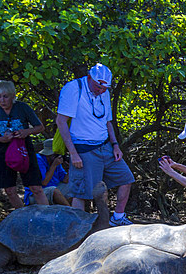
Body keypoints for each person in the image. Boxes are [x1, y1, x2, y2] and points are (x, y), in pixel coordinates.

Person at [55, 63, 134, 226]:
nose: (101, 90)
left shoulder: (104, 93)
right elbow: (61, 122)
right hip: (83, 148)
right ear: (89, 78)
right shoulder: (73, 89)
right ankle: (78, 229)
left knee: (126, 178)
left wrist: (115, 145)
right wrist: (73, 153)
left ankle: (117, 219)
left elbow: (108, 122)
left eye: (105, 88)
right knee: (81, 192)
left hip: (105, 146)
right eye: (98, 86)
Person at [0, 80, 47, 209]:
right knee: (10, 190)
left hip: (24, 148)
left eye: (5, 96)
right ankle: (22, 214)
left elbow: (40, 127)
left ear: (12, 96)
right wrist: (2, 139)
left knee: (36, 187)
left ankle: (48, 215)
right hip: (4, 149)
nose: (2, 100)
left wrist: (26, 131)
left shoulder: (22, 107)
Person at [24, 139, 70, 206]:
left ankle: (66, 208)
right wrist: (54, 165)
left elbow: (65, 180)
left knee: (75, 185)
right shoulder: (38, 160)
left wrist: (71, 168)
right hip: (37, 195)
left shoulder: (56, 160)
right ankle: (70, 211)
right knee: (53, 190)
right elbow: (44, 182)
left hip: (53, 190)